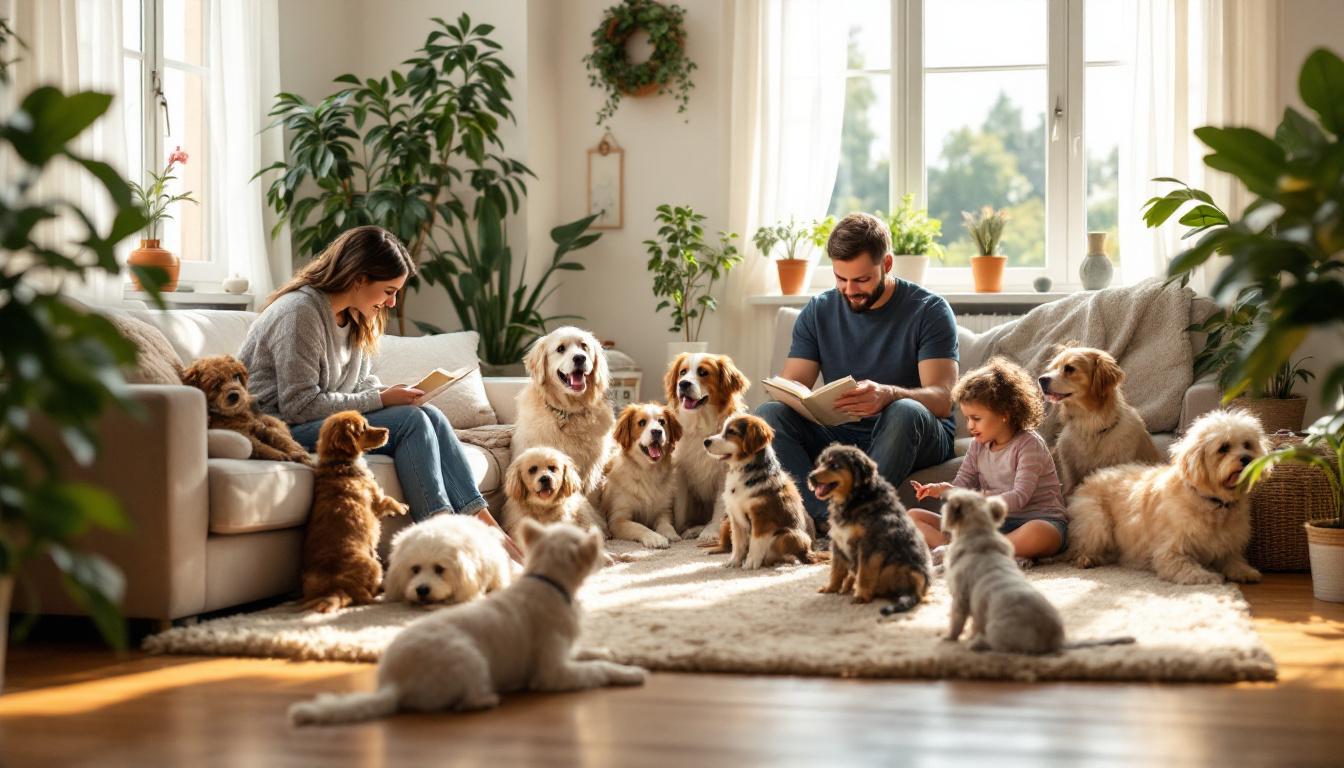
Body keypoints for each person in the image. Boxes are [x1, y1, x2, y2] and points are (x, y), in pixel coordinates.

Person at [238, 225, 487, 524]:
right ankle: (440, 532)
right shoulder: (299, 312)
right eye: (389, 291)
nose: (392, 303)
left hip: (317, 421)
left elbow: (360, 383)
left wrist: (388, 394)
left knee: (430, 415)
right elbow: (299, 406)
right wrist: (381, 399)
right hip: (277, 427)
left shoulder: (354, 315)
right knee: (412, 421)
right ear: (359, 279)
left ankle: (488, 527)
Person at [756, 212, 959, 531]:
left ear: (887, 264)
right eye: (841, 278)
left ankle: (848, 519)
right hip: (841, 431)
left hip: (910, 431)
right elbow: (792, 383)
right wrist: (802, 398)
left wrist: (889, 394)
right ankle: (833, 519)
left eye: (861, 280)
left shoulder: (929, 310)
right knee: (768, 415)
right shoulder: (819, 310)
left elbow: (944, 399)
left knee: (904, 410)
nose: (849, 289)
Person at [909, 357, 1068, 567]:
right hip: (994, 526)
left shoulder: (1029, 444)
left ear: (1004, 413)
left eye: (976, 418)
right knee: (912, 517)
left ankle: (969, 550)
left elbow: (1019, 497)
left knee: (1039, 533)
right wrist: (944, 490)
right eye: (967, 418)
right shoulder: (978, 445)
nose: (970, 426)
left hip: (1038, 520)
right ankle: (979, 551)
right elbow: (962, 484)